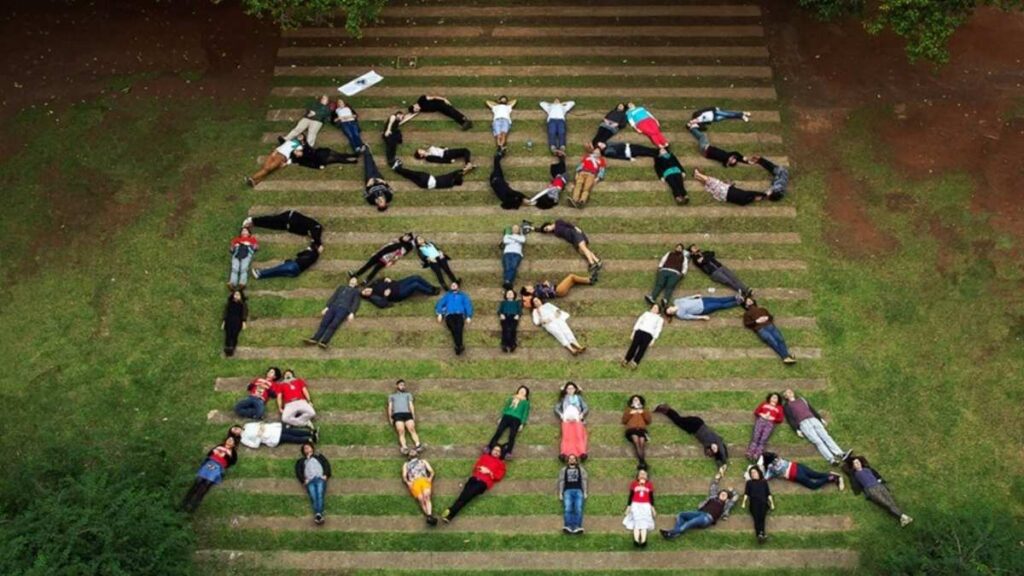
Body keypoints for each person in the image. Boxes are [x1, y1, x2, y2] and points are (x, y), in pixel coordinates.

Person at [652, 404, 729, 473]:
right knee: (679, 420)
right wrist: (723, 464)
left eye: (712, 450)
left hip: (693, 430)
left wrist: (719, 463)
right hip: (697, 424)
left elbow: (713, 455)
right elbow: (722, 452)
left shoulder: (707, 445)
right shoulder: (717, 440)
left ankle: (666, 411)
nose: (714, 448)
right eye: (715, 448)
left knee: (678, 422)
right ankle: (666, 409)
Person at [660, 473, 738, 540]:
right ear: (719, 494)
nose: (723, 494)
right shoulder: (713, 497)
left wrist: (732, 491)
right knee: (681, 515)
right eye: (722, 493)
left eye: (725, 495)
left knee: (689, 523)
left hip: (707, 518)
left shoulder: (727, 504)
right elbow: (713, 487)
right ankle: (676, 533)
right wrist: (717, 479)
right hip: (700, 513)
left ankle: (671, 533)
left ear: (727, 498)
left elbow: (736, 497)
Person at [441, 444, 506, 523]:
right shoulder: (485, 457)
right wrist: (480, 468)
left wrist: (489, 472)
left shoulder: (501, 464)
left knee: (467, 497)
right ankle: (449, 516)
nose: (496, 452)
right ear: (492, 450)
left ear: (500, 454)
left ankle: (451, 511)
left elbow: (499, 477)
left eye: (498, 451)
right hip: (474, 478)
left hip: (483, 483)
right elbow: (476, 466)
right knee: (463, 496)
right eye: (495, 450)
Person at [843, 455, 913, 526]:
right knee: (887, 504)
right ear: (853, 466)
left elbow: (876, 475)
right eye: (855, 463)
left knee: (892, 502)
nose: (857, 463)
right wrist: (848, 459)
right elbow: (844, 468)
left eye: (858, 462)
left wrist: (881, 481)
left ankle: (903, 518)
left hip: (880, 486)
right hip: (871, 490)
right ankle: (904, 517)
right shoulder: (854, 474)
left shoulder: (868, 469)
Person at [783, 388, 848, 464]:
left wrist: (820, 419)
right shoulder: (787, 406)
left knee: (826, 437)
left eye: (790, 391)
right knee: (818, 441)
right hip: (803, 423)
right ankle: (831, 459)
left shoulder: (802, 399)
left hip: (813, 419)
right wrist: (796, 429)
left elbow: (811, 409)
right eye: (787, 392)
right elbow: (790, 419)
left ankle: (840, 454)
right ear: (785, 396)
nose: (789, 392)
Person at [181, 429, 240, 513]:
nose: (230, 441)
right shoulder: (219, 446)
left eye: (232, 441)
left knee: (205, 486)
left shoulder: (233, 453)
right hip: (209, 464)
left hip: (217, 468)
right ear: (225, 440)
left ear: (234, 444)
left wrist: (225, 459)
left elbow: (232, 462)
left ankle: (193, 506)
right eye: (229, 439)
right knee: (198, 481)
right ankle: (185, 502)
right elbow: (209, 454)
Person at [305, 276, 362, 348]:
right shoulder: (341, 287)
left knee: (334, 324)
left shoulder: (356, 292)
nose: (353, 281)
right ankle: (315, 339)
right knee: (324, 322)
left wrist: (352, 313)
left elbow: (356, 302)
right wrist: (327, 307)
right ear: (349, 280)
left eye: (355, 280)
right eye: (352, 279)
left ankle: (324, 342)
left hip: (343, 309)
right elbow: (334, 297)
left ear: (356, 284)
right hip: (333, 307)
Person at [743, 297, 797, 364]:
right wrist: (756, 321)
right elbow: (747, 324)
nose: (749, 301)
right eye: (747, 301)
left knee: (780, 339)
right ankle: (785, 357)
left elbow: (771, 317)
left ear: (753, 301)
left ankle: (786, 356)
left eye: (750, 300)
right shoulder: (747, 314)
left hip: (770, 326)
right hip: (761, 329)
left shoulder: (762, 309)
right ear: (745, 305)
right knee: (772, 341)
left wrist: (767, 317)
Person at [758, 451, 843, 491]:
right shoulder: (777, 457)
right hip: (797, 465)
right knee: (815, 474)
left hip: (795, 474)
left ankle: (832, 478)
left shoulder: (771, 468)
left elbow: (766, 477)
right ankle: (829, 474)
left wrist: (762, 474)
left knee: (813, 485)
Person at [349, 233, 416, 282]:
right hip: (380, 254)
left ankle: (366, 280)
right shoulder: (397, 240)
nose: (406, 237)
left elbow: (398, 256)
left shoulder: (405, 248)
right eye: (406, 235)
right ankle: (356, 274)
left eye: (408, 237)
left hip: (386, 259)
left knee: (375, 269)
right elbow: (385, 246)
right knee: (368, 265)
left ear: (409, 240)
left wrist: (391, 262)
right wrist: (376, 252)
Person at [487, 386, 531, 457]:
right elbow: (506, 408)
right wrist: (501, 417)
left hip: (516, 419)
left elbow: (525, 413)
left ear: (526, 393)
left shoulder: (526, 402)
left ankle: (509, 452)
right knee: (499, 432)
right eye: (521, 390)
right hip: (506, 416)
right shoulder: (512, 398)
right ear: (518, 391)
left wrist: (522, 424)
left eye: (524, 391)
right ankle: (489, 447)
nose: (522, 391)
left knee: (512, 436)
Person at [295, 442, 331, 525]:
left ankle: (318, 514)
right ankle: (319, 514)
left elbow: (326, 464)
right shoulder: (301, 461)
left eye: (308, 447)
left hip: (319, 478)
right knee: (313, 496)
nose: (307, 449)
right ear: (303, 451)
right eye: (305, 448)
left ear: (312, 448)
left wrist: (326, 475)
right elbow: (298, 471)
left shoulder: (319, 456)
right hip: (310, 480)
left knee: (319, 494)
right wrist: (303, 480)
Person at [693, 168, 771, 206]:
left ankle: (698, 174)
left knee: (712, 181)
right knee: (709, 186)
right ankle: (697, 177)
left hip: (725, 190)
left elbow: (753, 193)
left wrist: (764, 194)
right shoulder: (744, 202)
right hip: (723, 196)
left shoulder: (746, 194)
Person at [435, 281, 473, 355]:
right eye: (452, 285)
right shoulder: (447, 296)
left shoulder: (463, 296)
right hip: (449, 315)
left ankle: (458, 346)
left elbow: (467, 305)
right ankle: (460, 345)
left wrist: (468, 316)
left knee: (459, 328)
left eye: (455, 285)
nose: (453, 286)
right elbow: (440, 304)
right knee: (453, 328)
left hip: (459, 315)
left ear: (458, 287)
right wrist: (439, 313)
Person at [245, 210, 323, 246]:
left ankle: (254, 223)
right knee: (271, 219)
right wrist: (318, 244)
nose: (309, 235)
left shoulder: (311, 230)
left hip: (287, 225)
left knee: (271, 225)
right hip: (288, 217)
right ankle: (252, 220)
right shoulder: (315, 227)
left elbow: (315, 239)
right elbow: (316, 238)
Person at [622, 304, 664, 369]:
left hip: (648, 334)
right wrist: (633, 332)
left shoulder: (660, 319)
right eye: (653, 307)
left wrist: (653, 339)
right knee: (633, 346)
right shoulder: (646, 314)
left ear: (658, 310)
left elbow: (658, 329)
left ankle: (635, 362)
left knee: (642, 349)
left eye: (656, 308)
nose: (654, 309)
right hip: (640, 331)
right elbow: (639, 322)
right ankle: (627, 359)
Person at [554, 381, 589, 461]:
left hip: (577, 418)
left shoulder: (578, 398)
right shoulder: (563, 398)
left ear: (575, 390)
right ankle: (563, 453)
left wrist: (582, 414)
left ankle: (582, 452)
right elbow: (556, 408)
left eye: (572, 388)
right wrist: (561, 415)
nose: (570, 390)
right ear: (566, 390)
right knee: (566, 437)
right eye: (568, 388)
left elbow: (585, 407)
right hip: (566, 419)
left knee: (579, 436)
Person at [253, 241, 323, 279]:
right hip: (296, 273)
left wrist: (308, 249)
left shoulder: (312, 253)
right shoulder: (315, 257)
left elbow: (298, 254)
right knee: (277, 273)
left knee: (276, 270)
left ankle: (260, 273)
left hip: (294, 266)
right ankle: (261, 275)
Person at [622, 469, 656, 547]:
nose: (643, 475)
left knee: (644, 523)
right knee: (636, 522)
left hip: (646, 505)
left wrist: (652, 508)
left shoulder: (649, 485)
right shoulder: (634, 484)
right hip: (636, 504)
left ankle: (643, 541)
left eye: (644, 474)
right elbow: (631, 496)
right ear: (637, 476)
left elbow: (651, 497)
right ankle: (636, 540)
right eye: (641, 473)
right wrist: (628, 507)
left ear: (647, 477)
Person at [391, 158, 474, 190]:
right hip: (425, 185)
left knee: (411, 173)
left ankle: (397, 168)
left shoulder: (452, 177)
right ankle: (398, 169)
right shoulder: (451, 183)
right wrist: (469, 169)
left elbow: (460, 173)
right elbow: (460, 174)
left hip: (428, 179)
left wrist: (468, 169)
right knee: (410, 176)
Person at [403, 449, 437, 525]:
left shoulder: (423, 461)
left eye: (413, 451)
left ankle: (429, 516)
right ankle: (429, 517)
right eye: (411, 451)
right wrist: (408, 483)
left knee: (426, 497)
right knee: (421, 499)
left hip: (424, 480)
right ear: (409, 456)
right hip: (414, 482)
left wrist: (430, 478)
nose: (412, 451)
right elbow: (404, 476)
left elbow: (431, 471)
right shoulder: (406, 464)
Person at [360, 275, 440, 308]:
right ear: (368, 296)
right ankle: (431, 292)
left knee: (416, 277)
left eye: (364, 290)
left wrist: (385, 278)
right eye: (366, 293)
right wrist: (386, 295)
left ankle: (432, 287)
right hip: (398, 293)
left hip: (398, 284)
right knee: (415, 285)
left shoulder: (372, 285)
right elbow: (382, 304)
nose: (366, 291)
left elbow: (379, 279)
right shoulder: (374, 297)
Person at [520, 273, 594, 309]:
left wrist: (545, 284)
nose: (528, 285)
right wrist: (547, 285)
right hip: (558, 290)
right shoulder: (536, 293)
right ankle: (589, 280)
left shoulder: (536, 288)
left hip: (558, 289)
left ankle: (588, 280)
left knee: (573, 281)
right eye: (527, 286)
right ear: (528, 290)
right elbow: (547, 291)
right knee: (571, 276)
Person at [746, 393, 784, 460]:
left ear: (778, 400)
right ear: (770, 398)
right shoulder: (764, 404)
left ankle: (757, 454)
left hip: (770, 423)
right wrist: (763, 415)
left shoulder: (779, 408)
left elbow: (780, 419)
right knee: (756, 436)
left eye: (776, 398)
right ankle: (750, 452)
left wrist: (772, 418)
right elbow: (756, 411)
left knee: (763, 438)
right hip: (761, 420)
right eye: (773, 397)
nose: (774, 399)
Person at [388, 379, 422, 454]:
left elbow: (411, 405)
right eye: (401, 385)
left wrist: (413, 415)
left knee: (412, 429)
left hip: (407, 413)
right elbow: (390, 407)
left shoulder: (408, 395)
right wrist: (390, 417)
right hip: (397, 414)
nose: (402, 386)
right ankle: (404, 447)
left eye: (403, 385)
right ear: (397, 386)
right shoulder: (392, 396)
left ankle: (418, 444)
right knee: (401, 431)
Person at [557, 454, 588, 534]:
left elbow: (584, 481)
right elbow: (561, 481)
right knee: (568, 509)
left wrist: (585, 492)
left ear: (576, 460)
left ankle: (578, 527)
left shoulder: (581, 469)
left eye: (573, 458)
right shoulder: (564, 470)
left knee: (578, 509)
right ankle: (568, 526)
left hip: (578, 491)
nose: (572, 460)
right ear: (568, 460)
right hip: (567, 491)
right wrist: (560, 493)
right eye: (570, 458)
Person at [742, 466, 773, 544]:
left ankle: (761, 534)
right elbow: (746, 493)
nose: (753, 474)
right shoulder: (749, 483)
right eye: (751, 473)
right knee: (756, 518)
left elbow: (768, 493)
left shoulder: (764, 482)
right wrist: (743, 502)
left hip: (763, 503)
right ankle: (760, 534)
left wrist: (772, 503)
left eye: (754, 472)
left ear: (758, 472)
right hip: (754, 503)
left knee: (762, 518)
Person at [407, 94, 473, 130]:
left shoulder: (421, 99)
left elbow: (434, 97)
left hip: (441, 104)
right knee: (451, 115)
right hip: (440, 109)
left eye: (416, 109)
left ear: (414, 105)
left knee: (453, 112)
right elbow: (410, 115)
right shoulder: (421, 109)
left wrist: (444, 99)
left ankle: (465, 120)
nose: (417, 110)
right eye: (416, 111)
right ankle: (463, 123)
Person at [665, 293, 742, 322]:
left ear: (669, 307)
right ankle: (737, 302)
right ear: (672, 314)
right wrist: (702, 317)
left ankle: (735, 297)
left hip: (702, 300)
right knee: (719, 305)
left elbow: (686, 298)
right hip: (703, 308)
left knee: (719, 299)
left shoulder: (676, 301)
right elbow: (691, 317)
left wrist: (694, 296)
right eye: (670, 313)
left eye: (669, 310)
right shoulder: (680, 314)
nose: (670, 311)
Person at [622, 395, 651, 468]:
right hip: (632, 429)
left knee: (642, 443)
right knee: (636, 442)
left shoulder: (644, 410)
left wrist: (642, 412)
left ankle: (642, 462)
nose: (636, 401)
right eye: (634, 400)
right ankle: (642, 462)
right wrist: (630, 413)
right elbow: (624, 420)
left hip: (641, 429)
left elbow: (648, 420)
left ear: (640, 402)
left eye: (637, 400)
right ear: (632, 403)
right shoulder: (629, 410)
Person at [240, 421, 317, 448]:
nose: (237, 430)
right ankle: (309, 440)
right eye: (234, 431)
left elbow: (258, 423)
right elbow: (255, 445)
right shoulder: (243, 439)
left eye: (235, 428)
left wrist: (261, 425)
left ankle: (311, 433)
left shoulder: (247, 425)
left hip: (273, 429)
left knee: (292, 431)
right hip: (271, 437)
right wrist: (259, 436)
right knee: (290, 438)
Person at [291, 143, 358, 170]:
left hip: (322, 152)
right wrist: (318, 167)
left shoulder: (304, 149)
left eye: (296, 150)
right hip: (321, 159)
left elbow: (308, 146)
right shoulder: (302, 161)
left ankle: (354, 155)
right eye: (296, 152)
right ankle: (352, 162)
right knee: (338, 159)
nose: (297, 150)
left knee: (339, 154)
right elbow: (310, 165)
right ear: (297, 156)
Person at [222, 290, 247, 357]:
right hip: (229, 321)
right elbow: (225, 313)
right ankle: (227, 348)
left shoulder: (242, 305)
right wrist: (224, 322)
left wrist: (243, 322)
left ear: (241, 297)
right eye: (235, 294)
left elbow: (244, 314)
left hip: (237, 322)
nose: (236, 296)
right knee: (228, 335)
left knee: (235, 335)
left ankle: (232, 348)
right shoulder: (229, 303)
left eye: (238, 295)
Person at [501, 224, 527, 289]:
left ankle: (507, 281)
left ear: (519, 230)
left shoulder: (522, 236)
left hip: (517, 254)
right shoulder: (507, 235)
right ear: (511, 229)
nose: (515, 229)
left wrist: (512, 238)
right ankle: (509, 283)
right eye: (514, 228)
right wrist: (516, 239)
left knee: (513, 267)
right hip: (507, 253)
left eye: (517, 228)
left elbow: (523, 240)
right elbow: (505, 241)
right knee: (507, 268)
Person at [498, 289, 522, 353]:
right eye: (508, 293)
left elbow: (520, 311)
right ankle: (504, 345)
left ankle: (512, 344)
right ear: (506, 295)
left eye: (511, 293)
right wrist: (501, 314)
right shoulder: (503, 302)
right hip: (505, 317)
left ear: (514, 295)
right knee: (505, 330)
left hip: (514, 317)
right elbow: (499, 310)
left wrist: (518, 315)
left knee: (513, 330)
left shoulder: (516, 303)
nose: (510, 294)